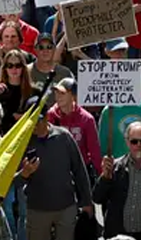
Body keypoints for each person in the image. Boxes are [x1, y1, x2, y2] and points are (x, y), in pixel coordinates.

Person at [18, 95, 93, 240]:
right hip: (38, 209)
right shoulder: (22, 142)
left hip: (66, 207)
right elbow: (13, 182)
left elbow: (79, 170)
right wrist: (24, 174)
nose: (34, 125)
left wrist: (87, 202)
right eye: (31, 121)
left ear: (46, 117)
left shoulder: (63, 137)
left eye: (38, 120)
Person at [93, 121, 141, 240]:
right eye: (134, 141)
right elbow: (97, 198)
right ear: (127, 142)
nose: (138, 145)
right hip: (118, 235)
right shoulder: (114, 168)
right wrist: (105, 178)